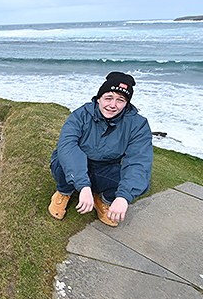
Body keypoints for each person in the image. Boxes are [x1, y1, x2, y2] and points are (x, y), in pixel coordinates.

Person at [48, 72, 152, 226]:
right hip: (75, 164)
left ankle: (104, 199)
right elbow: (68, 147)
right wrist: (83, 185)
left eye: (120, 100)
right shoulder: (81, 114)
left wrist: (123, 197)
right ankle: (64, 191)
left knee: (131, 179)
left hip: (105, 167)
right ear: (99, 98)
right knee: (63, 164)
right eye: (108, 98)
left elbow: (138, 161)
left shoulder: (138, 125)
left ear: (127, 104)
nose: (112, 105)